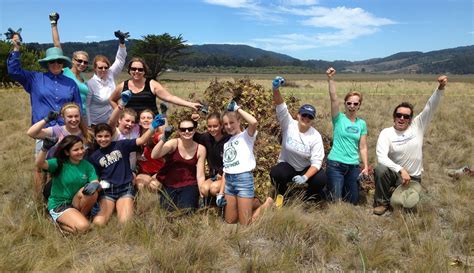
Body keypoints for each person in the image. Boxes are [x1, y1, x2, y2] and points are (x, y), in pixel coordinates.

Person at [7, 32, 82, 200]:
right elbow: (13, 71)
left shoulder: (70, 83)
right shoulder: (34, 78)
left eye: (59, 61)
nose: (55, 64)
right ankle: (38, 201)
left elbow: (78, 108)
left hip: (65, 131)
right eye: (52, 61)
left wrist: (81, 129)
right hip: (44, 131)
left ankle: (59, 199)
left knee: (63, 166)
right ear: (47, 63)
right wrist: (16, 48)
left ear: (63, 63)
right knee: (41, 168)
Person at [373, 75, 448, 215]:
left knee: (408, 209)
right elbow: (381, 157)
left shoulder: (417, 126)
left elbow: (430, 107)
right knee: (380, 169)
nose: (401, 118)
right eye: (398, 115)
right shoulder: (386, 133)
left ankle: (395, 193)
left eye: (406, 116)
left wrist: (441, 88)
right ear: (394, 116)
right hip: (396, 174)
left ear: (410, 119)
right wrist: (400, 170)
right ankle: (381, 202)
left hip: (413, 177)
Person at [88, 115, 163, 226]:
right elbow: (95, 177)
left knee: (125, 223)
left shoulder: (121, 145)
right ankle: (108, 209)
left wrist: (152, 127)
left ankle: (122, 208)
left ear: (111, 136)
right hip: (108, 191)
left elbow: (142, 140)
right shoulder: (94, 156)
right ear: (95, 137)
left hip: (125, 189)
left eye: (106, 136)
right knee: (99, 223)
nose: (103, 139)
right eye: (100, 136)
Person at [269, 77, 327, 202]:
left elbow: (317, 163)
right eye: (304, 115)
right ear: (298, 115)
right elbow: (281, 106)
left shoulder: (315, 136)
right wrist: (276, 89)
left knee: (321, 178)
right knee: (276, 173)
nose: (306, 118)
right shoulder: (289, 124)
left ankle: (308, 198)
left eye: (310, 117)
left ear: (312, 120)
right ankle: (282, 195)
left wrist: (305, 177)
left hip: (305, 168)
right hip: (288, 165)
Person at [219, 101, 273, 225]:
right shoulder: (226, 143)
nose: (228, 126)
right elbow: (226, 169)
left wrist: (237, 109)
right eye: (225, 124)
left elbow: (253, 122)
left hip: (243, 179)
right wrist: (220, 193)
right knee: (230, 221)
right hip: (229, 183)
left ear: (239, 122)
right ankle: (251, 203)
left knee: (246, 225)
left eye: (232, 122)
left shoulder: (246, 136)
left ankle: (267, 204)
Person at [36, 135, 100, 233]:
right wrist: (45, 149)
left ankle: (80, 218)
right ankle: (58, 222)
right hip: (60, 204)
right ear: (67, 152)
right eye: (76, 150)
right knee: (84, 227)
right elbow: (39, 164)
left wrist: (95, 185)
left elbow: (95, 181)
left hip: (75, 202)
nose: (81, 152)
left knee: (93, 192)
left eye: (82, 148)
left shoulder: (87, 165)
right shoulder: (58, 163)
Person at [325, 68, 368, 204]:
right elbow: (333, 99)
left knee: (352, 202)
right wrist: (331, 79)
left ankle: (340, 188)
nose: (352, 106)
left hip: (353, 166)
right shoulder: (338, 119)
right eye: (349, 103)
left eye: (355, 103)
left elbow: (363, 147)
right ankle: (330, 189)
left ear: (359, 105)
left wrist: (365, 166)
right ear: (345, 104)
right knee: (335, 202)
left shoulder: (362, 124)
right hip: (336, 164)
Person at [109, 57, 202, 114]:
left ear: (144, 71)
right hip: (132, 126)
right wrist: (121, 113)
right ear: (129, 70)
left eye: (140, 69)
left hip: (151, 125)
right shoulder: (123, 85)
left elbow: (170, 97)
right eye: (133, 69)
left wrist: (190, 104)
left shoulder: (152, 84)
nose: (136, 71)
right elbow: (112, 99)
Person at [151, 119, 206, 212]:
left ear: (194, 130)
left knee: (186, 211)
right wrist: (164, 138)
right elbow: (154, 155)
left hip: (190, 184)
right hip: (170, 184)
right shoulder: (174, 143)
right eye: (183, 129)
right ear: (179, 131)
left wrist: (202, 194)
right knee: (167, 211)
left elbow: (200, 175)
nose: (187, 132)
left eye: (190, 129)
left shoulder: (200, 149)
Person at [86, 30, 128, 126]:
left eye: (106, 67)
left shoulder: (110, 74)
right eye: (100, 67)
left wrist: (121, 41)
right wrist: (89, 126)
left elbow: (120, 59)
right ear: (95, 68)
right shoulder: (90, 84)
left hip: (113, 121)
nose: (104, 70)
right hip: (96, 123)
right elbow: (87, 107)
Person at [190, 112, 231, 203]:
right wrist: (193, 121)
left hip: (227, 175)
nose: (212, 129)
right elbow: (192, 135)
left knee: (213, 188)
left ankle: (226, 204)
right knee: (203, 189)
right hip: (213, 176)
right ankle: (213, 206)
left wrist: (221, 172)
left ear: (221, 126)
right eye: (209, 126)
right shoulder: (206, 137)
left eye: (215, 126)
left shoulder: (228, 139)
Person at [135, 108, 166, 191]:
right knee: (140, 185)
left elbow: (162, 137)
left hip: (158, 171)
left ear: (153, 121)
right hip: (143, 172)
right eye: (143, 118)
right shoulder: (135, 136)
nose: (146, 120)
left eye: (149, 118)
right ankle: (143, 203)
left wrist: (164, 118)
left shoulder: (156, 135)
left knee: (153, 185)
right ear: (139, 122)